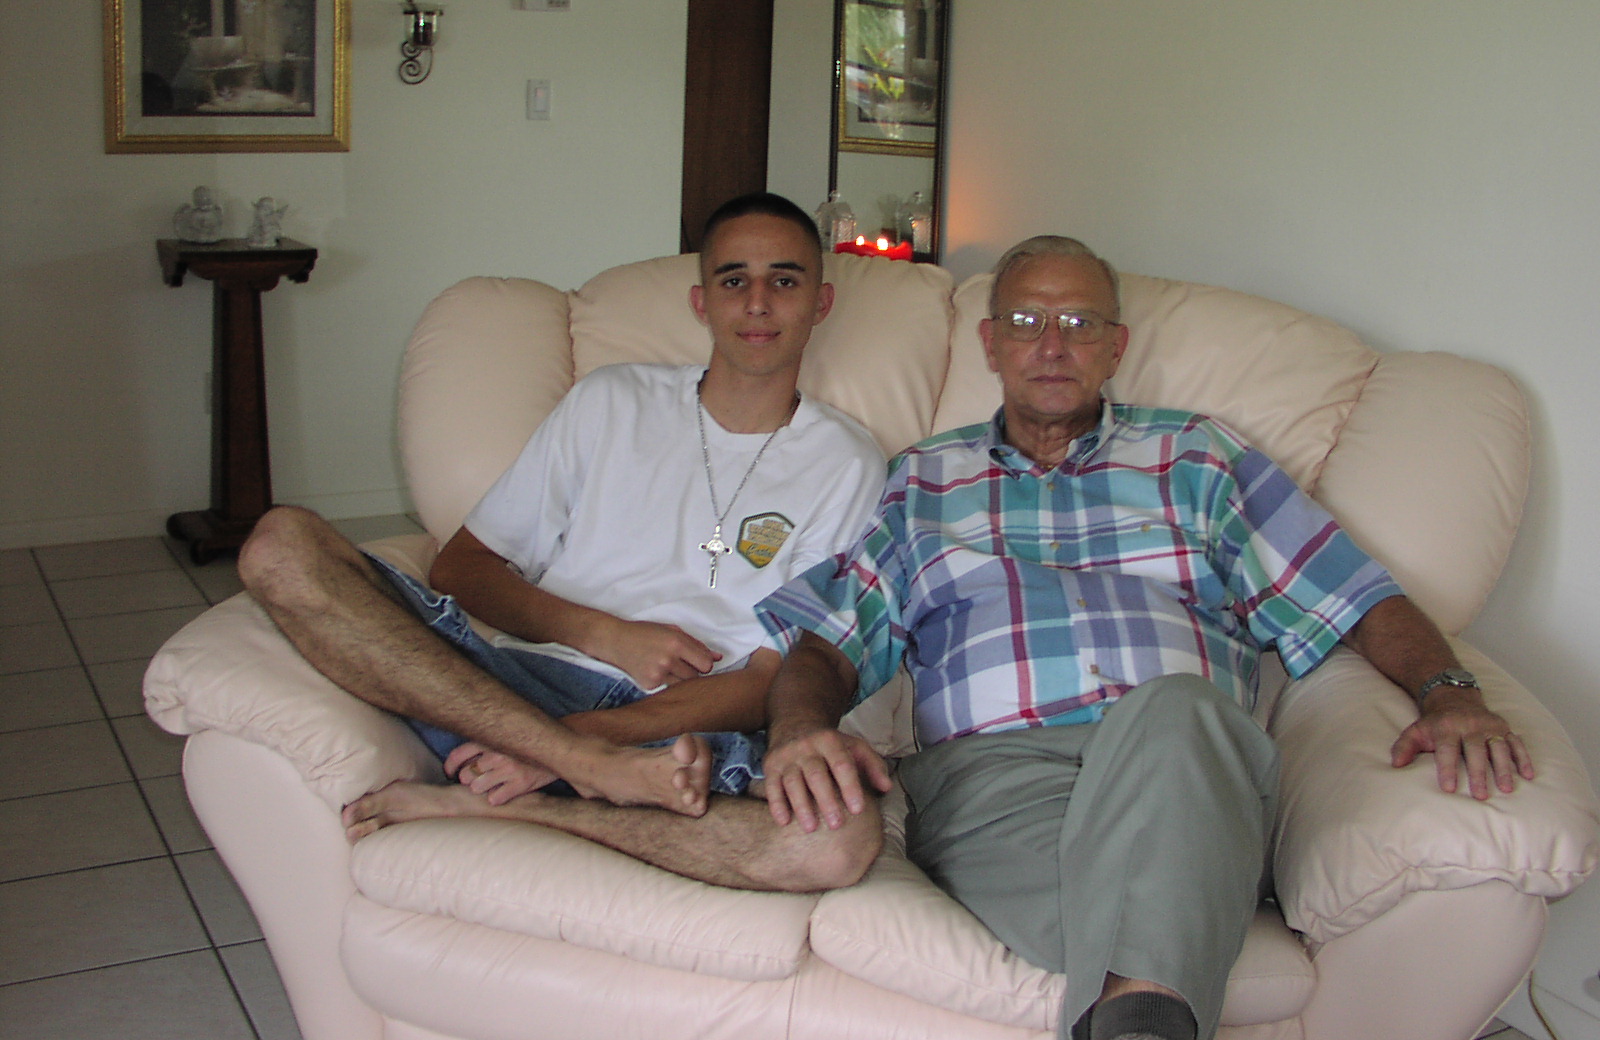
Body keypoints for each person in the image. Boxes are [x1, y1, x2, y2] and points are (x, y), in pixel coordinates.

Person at [749, 235, 1537, 1040]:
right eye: (1025, 321)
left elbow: (1350, 595)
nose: (1051, 345)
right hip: (992, 784)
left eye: (1079, 323)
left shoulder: (1198, 455)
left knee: (1175, 711)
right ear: (991, 343)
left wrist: (1448, 692)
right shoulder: (923, 480)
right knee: (1145, 922)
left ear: (1116, 346)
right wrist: (799, 728)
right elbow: (830, 642)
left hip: (1185, 764)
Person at [238, 191, 885, 826]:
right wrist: (604, 636)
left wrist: (589, 733)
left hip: (679, 725)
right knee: (281, 545)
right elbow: (461, 568)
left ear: (821, 303)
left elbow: (775, 678)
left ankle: (526, 785)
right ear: (701, 302)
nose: (757, 303)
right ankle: (579, 774)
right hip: (510, 686)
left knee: (836, 839)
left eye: (785, 281)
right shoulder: (611, 400)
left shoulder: (847, 462)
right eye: (734, 280)